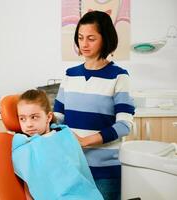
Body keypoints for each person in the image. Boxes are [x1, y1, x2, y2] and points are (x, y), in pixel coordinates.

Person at [54, 11, 135, 200]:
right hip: (72, 166)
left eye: (91, 38)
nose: (84, 44)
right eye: (80, 38)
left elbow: (124, 125)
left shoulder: (119, 76)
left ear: (105, 39)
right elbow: (57, 117)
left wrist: (85, 141)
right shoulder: (70, 74)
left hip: (105, 171)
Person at [12, 89, 103, 200]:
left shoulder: (64, 135)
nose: (29, 124)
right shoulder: (24, 148)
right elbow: (30, 182)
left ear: (48, 117)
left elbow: (78, 170)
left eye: (34, 117)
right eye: (22, 119)